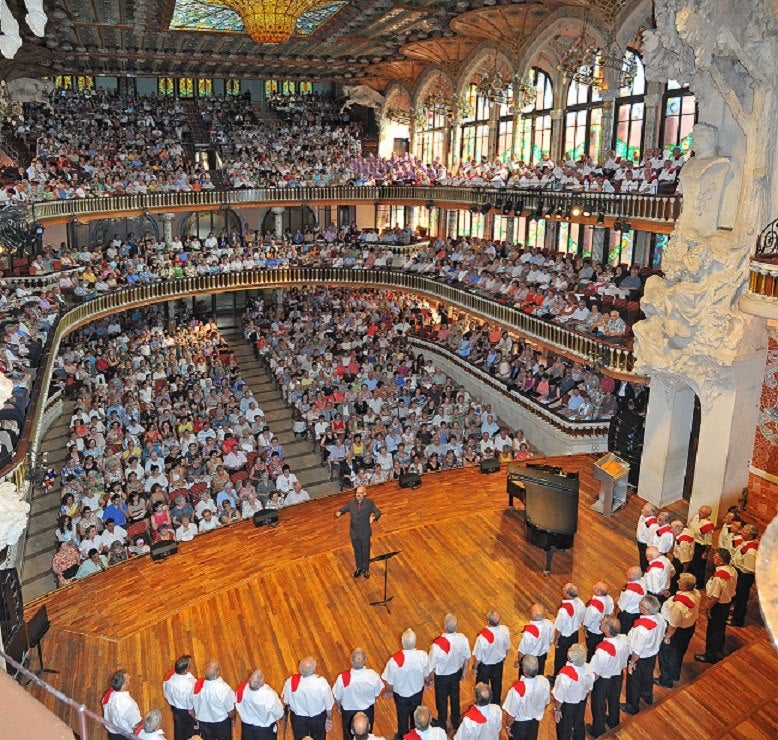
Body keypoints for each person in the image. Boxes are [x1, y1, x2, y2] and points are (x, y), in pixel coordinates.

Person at [382, 628, 432, 740]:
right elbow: (427, 676)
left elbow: (389, 683)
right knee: (416, 716)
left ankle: (403, 736)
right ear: (415, 642)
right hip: (417, 693)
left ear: (402, 642)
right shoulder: (423, 656)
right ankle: (415, 734)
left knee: (402, 717)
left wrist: (389, 692)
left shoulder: (394, 661)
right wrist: (428, 683)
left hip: (401, 696)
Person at [621, 596, 666, 716]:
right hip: (652, 654)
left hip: (640, 657)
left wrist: (632, 663)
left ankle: (632, 706)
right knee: (647, 676)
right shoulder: (660, 618)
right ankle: (647, 695)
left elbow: (637, 650)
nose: (638, 606)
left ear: (646, 610)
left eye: (640, 605)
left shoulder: (642, 629)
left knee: (633, 682)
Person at [586, 616, 629, 738]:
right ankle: (613, 722)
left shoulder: (602, 651)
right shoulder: (624, 640)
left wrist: (589, 687)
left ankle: (597, 731)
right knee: (614, 699)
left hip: (604, 680)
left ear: (607, 630)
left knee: (598, 705)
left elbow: (596, 672)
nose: (600, 623)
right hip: (618, 675)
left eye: (603, 623)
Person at [656, 573, 700, 687]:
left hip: (676, 631)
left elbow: (673, 624)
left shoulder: (678, 605)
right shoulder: (696, 594)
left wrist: (667, 637)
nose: (677, 582)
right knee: (679, 652)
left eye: (679, 581)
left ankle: (666, 680)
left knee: (667, 654)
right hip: (689, 628)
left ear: (684, 587)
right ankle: (675, 673)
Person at [428, 613, 471, 730]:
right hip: (456, 674)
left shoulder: (436, 645)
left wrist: (430, 680)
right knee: (455, 698)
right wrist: (463, 674)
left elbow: (430, 666)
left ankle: (442, 724)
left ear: (444, 626)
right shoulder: (463, 639)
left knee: (441, 701)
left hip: (441, 678)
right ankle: (456, 721)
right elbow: (467, 658)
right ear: (456, 627)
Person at [695, 548, 738, 664]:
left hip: (718, 606)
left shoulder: (719, 577)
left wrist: (708, 608)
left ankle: (710, 655)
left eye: (716, 557)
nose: (713, 558)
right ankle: (719, 650)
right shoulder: (732, 570)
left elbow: (715, 596)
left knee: (712, 631)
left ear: (721, 561)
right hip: (727, 603)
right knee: (720, 628)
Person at [332, 647, 384, 740]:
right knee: (366, 734)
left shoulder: (342, 678)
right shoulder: (372, 675)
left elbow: (337, 698)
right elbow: (377, 694)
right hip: (367, 711)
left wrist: (339, 706)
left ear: (351, 660)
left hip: (348, 713)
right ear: (365, 660)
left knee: (348, 737)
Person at [282, 656, 334, 740]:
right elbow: (329, 706)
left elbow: (286, 702)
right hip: (318, 719)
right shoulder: (321, 683)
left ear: (299, 669)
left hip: (298, 720)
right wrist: (329, 719)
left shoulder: (291, 681)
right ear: (314, 670)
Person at [335, 485, 381, 578]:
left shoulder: (369, 503)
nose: (358, 495)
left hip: (365, 533)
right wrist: (340, 512)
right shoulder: (352, 502)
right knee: (357, 551)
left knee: (365, 552)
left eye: (360, 493)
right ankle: (359, 568)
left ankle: (366, 569)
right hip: (354, 533)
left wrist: (374, 517)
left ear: (364, 494)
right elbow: (344, 508)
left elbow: (377, 512)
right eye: (357, 493)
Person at [501, 655, 549, 740]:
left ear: (524, 670)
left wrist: (508, 727)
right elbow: (546, 704)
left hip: (519, 725)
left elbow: (512, 714)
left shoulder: (517, 689)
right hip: (534, 723)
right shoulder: (544, 682)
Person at [551, 644, 593, 740]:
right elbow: (590, 686)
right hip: (581, 701)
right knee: (579, 723)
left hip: (567, 706)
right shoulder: (589, 668)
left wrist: (557, 710)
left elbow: (559, 697)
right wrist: (587, 696)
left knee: (564, 728)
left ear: (571, 659)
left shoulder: (565, 676)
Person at [472, 610, 510, 706]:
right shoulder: (505, 630)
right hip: (498, 664)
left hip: (485, 667)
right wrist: (503, 658)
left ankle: (482, 704)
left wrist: (475, 668)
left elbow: (478, 657)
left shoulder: (482, 638)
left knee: (482, 688)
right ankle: (496, 704)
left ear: (488, 621)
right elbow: (507, 647)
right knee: (497, 686)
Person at [235, 668, 285, 740]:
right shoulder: (269, 695)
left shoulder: (242, 689)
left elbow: (238, 706)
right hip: (265, 731)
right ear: (262, 681)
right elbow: (279, 713)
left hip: (247, 728)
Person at [193, 660, 236, 740]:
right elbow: (230, 712)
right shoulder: (224, 689)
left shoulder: (197, 686)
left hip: (204, 722)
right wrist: (233, 719)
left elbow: (194, 705)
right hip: (221, 723)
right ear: (217, 673)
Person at [553, 583, 585, 677]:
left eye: (563, 589)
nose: (562, 589)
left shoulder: (563, 610)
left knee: (560, 659)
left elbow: (559, 627)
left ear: (567, 594)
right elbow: (582, 616)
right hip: (574, 634)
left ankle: (558, 677)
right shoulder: (580, 603)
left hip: (564, 638)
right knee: (572, 655)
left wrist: (556, 639)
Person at [729, 524, 759, 627]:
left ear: (750, 536)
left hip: (744, 576)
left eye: (745, 532)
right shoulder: (745, 543)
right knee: (737, 595)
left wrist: (738, 569)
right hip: (740, 573)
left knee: (742, 598)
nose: (742, 532)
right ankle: (736, 612)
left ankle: (738, 619)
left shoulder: (751, 551)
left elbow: (749, 569)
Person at [162, 654, 196, 740]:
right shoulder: (187, 686)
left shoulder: (169, 679)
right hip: (185, 710)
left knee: (178, 725)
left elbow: (166, 694)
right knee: (188, 728)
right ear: (185, 669)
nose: (191, 664)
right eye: (189, 663)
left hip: (174, 707)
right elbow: (190, 708)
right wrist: (194, 716)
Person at [102, 669, 142, 740]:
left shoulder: (109, 695)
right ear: (123, 685)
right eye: (127, 680)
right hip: (125, 735)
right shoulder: (127, 704)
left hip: (113, 732)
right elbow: (135, 725)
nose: (130, 677)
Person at [516, 604, 554, 676]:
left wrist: (519, 662)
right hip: (542, 657)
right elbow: (551, 640)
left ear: (533, 616)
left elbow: (522, 650)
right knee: (539, 675)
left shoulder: (529, 633)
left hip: (529, 661)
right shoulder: (549, 624)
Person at [582, 582, 614, 661]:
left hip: (593, 631)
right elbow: (610, 612)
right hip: (603, 629)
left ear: (599, 592)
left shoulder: (594, 606)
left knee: (592, 650)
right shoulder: (609, 599)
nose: (593, 586)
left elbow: (588, 620)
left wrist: (585, 628)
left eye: (595, 587)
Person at [688, 505, 715, 588]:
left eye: (703, 512)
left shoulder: (708, 526)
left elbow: (709, 542)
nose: (700, 513)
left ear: (708, 515)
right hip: (691, 542)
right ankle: (689, 580)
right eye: (700, 511)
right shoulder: (695, 517)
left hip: (700, 546)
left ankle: (698, 583)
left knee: (699, 566)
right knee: (691, 562)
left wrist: (705, 552)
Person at [616, 566, 646, 635]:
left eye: (628, 573)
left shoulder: (628, 592)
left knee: (623, 633)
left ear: (632, 576)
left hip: (627, 616)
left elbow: (621, 607)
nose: (626, 573)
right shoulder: (643, 581)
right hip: (637, 612)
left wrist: (616, 616)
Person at [635, 503, 657, 572]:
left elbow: (651, 536)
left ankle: (645, 572)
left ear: (649, 513)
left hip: (645, 544)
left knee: (644, 560)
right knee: (642, 558)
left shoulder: (652, 524)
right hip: (640, 541)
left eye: (643, 510)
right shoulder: (643, 516)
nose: (641, 511)